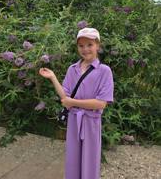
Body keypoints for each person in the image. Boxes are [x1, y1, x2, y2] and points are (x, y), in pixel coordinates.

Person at [39, 27, 114, 179]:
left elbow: (101, 103)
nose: (85, 49)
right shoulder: (72, 69)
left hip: (91, 122)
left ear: (98, 45)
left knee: (90, 161)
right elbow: (65, 96)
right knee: (73, 159)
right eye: (81, 45)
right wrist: (53, 77)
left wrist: (71, 102)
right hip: (74, 120)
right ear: (77, 47)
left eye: (90, 45)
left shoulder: (104, 71)